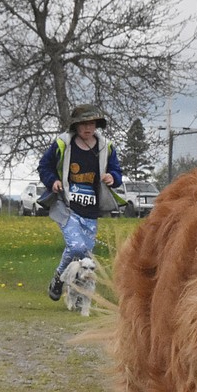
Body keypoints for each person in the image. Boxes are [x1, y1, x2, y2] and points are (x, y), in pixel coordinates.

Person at [37, 104, 124, 301]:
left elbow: (117, 172)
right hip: (67, 207)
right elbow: (44, 166)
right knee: (76, 247)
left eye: (92, 124)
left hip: (91, 209)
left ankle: (77, 293)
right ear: (75, 126)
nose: (88, 128)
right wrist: (53, 181)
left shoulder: (106, 147)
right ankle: (59, 278)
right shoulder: (63, 144)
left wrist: (113, 177)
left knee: (85, 256)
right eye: (83, 124)